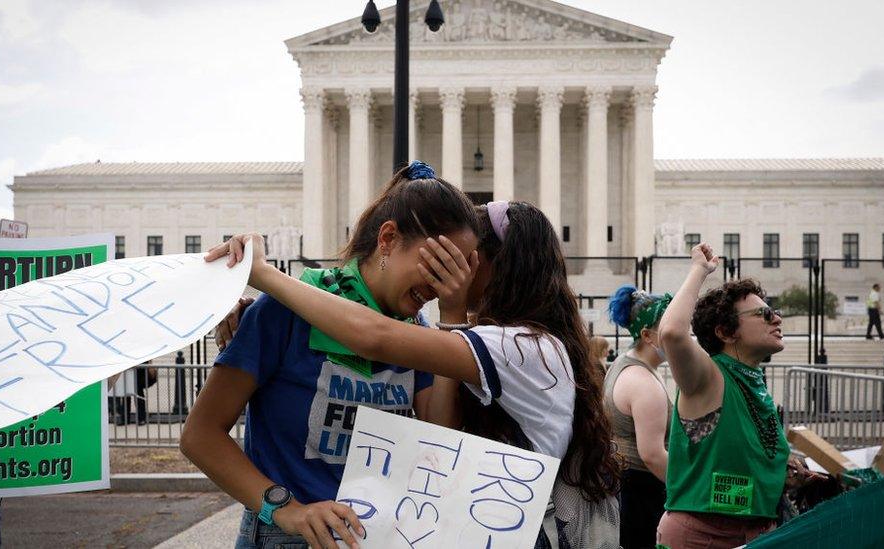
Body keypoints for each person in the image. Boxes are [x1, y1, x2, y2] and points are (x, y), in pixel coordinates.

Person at [214, 199, 622, 548]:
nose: (448, 270)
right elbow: (441, 438)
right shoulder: (487, 343)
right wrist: (265, 313)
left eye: (464, 258)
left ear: (496, 267)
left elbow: (374, 336)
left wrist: (266, 276)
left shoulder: (521, 346)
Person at [180, 161, 480, 549]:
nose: (442, 286)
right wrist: (287, 509)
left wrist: (453, 315)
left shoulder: (417, 333)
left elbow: (439, 437)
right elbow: (199, 435)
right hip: (288, 535)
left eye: (457, 273)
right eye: (438, 265)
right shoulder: (283, 311)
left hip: (374, 536)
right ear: (387, 239)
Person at [655, 243, 790, 548]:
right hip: (702, 536)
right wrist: (700, 270)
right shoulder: (711, 376)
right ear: (726, 333)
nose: (777, 319)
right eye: (765, 314)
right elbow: (673, 333)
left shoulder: (752, 380)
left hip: (756, 534)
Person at [605, 285, 673, 549]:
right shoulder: (643, 382)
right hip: (641, 495)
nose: (681, 334)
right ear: (647, 335)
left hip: (626, 488)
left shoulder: (625, 363)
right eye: (670, 329)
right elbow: (653, 455)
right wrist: (692, 490)